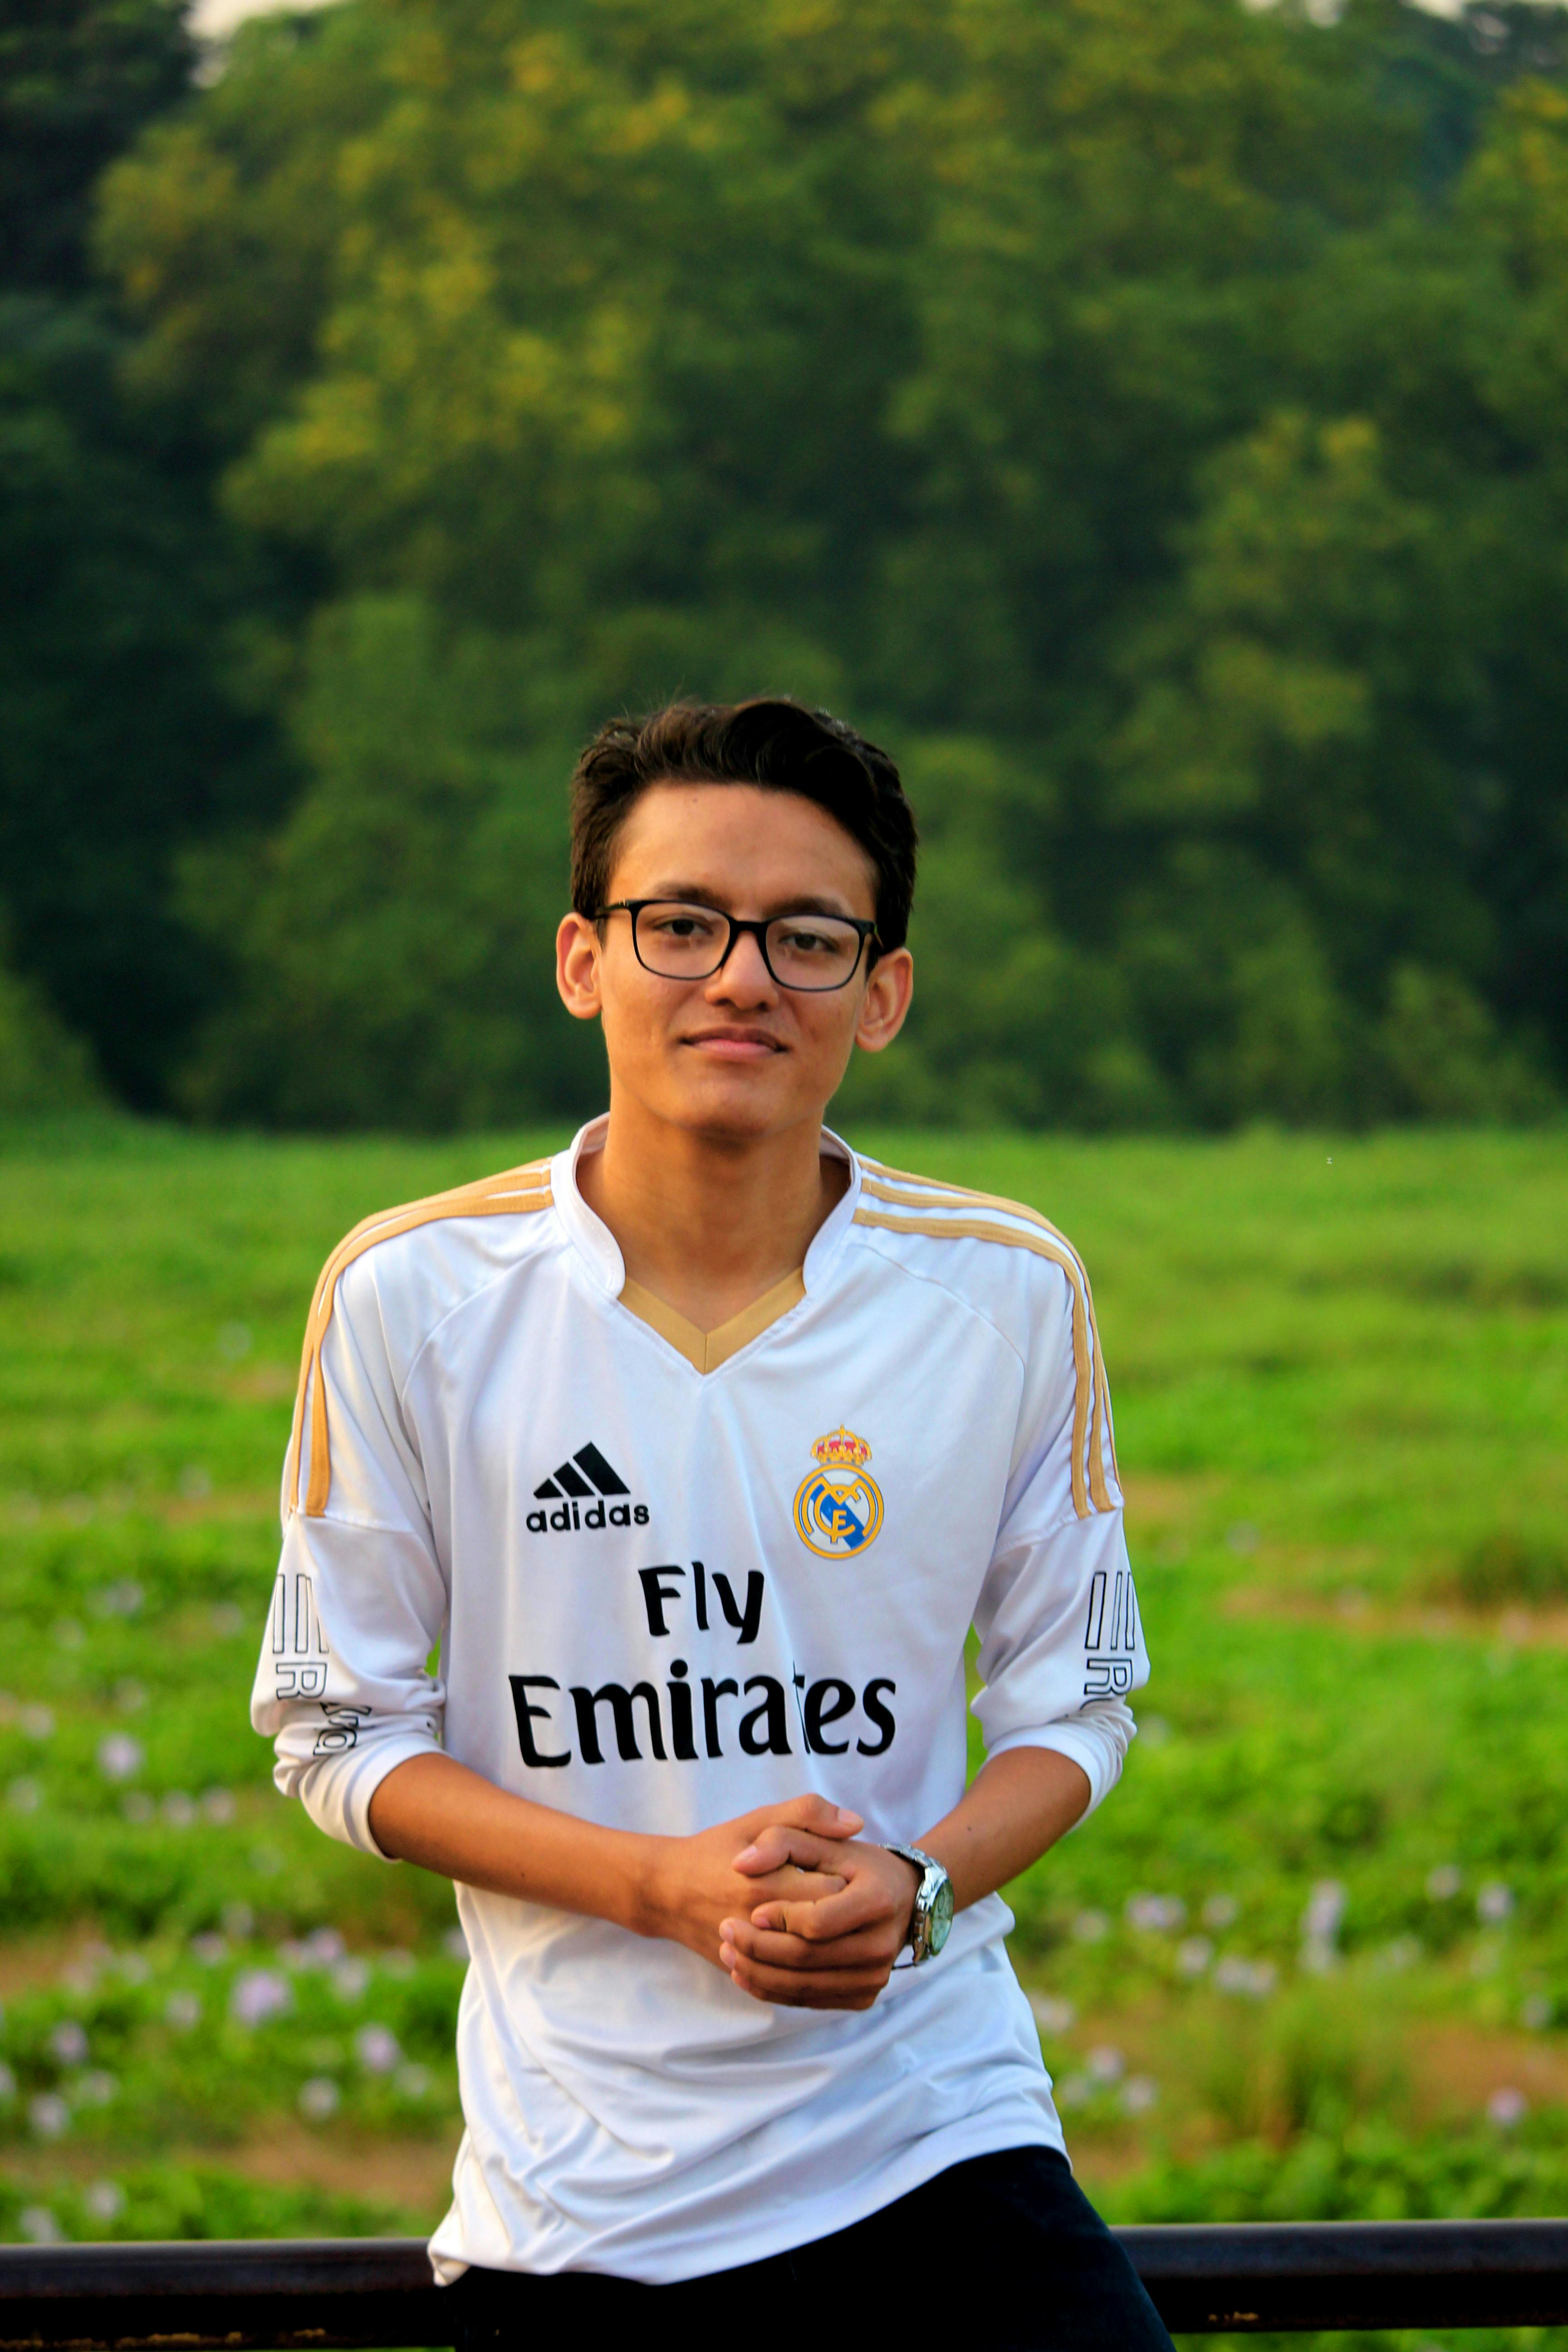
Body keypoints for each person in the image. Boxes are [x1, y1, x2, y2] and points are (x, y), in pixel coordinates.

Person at [252, 698, 1169, 2346]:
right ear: (581, 959)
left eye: (808, 936)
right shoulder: (411, 1293)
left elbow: (1076, 1702)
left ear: (880, 992)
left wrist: (922, 1885)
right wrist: (657, 1886)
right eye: (680, 924)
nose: (741, 975)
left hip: (938, 2141)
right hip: (580, 2199)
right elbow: (334, 1729)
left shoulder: (1008, 1289)